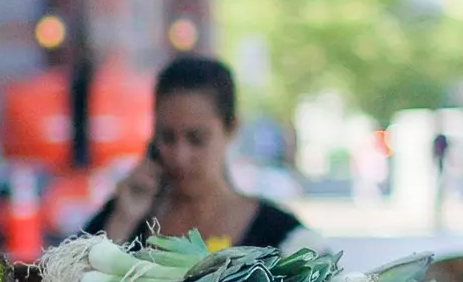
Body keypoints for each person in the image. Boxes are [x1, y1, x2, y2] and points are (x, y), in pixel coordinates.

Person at [86, 55, 305, 250]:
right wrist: (122, 220)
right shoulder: (123, 216)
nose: (180, 157)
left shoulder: (282, 235)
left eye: (197, 139)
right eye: (167, 137)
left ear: (231, 129)